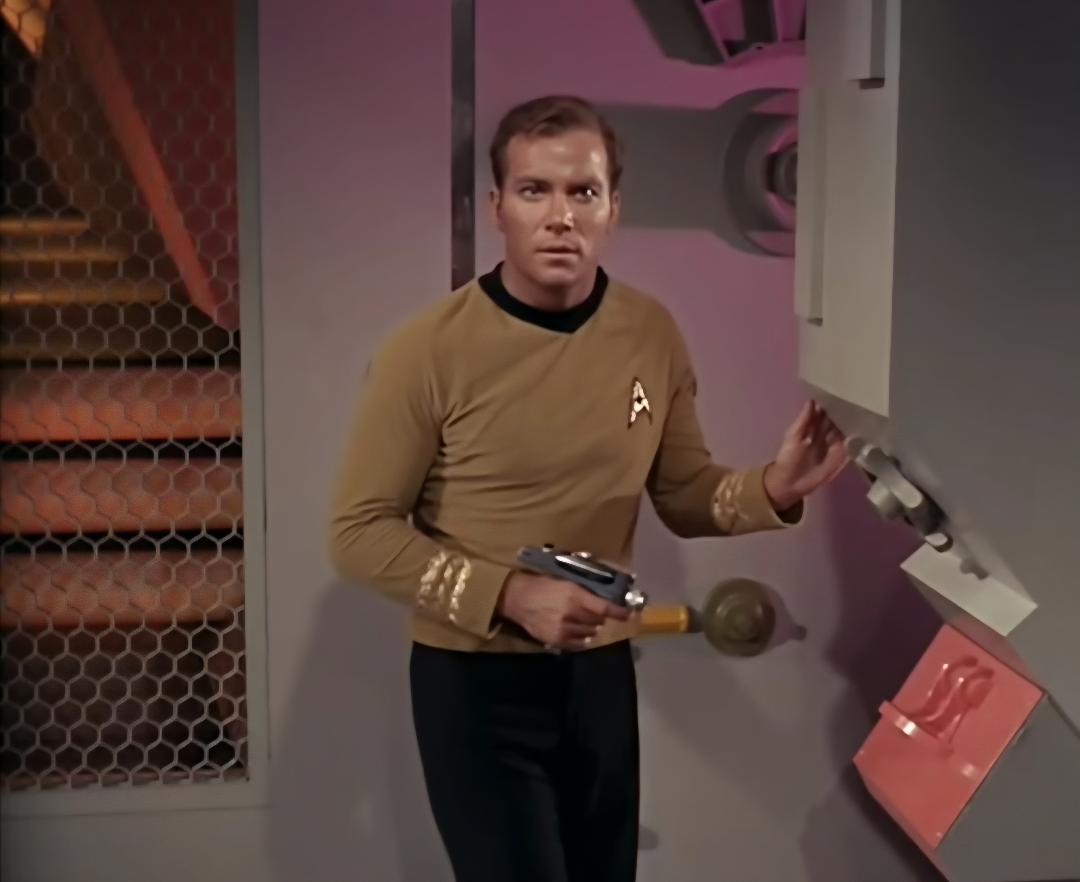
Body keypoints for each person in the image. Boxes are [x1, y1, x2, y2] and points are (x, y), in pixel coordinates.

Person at [328, 94, 848, 882]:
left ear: (613, 210)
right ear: (497, 208)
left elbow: (685, 493)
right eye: (534, 191)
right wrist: (511, 595)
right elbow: (359, 533)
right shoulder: (426, 353)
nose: (560, 217)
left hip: (599, 680)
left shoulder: (650, 333)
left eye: (583, 192)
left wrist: (772, 488)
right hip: (476, 685)